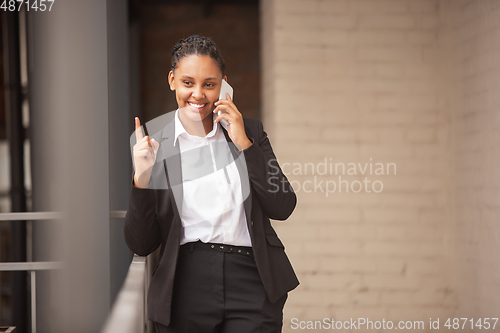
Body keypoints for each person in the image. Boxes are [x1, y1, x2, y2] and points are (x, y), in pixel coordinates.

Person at [124, 35, 298, 333]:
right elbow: (141, 243)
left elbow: (282, 205)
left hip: (252, 282)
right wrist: (142, 179)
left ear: (224, 85)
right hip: (185, 284)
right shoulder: (155, 145)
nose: (198, 94)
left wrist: (243, 142)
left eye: (209, 84)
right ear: (172, 80)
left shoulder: (250, 132)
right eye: (188, 82)